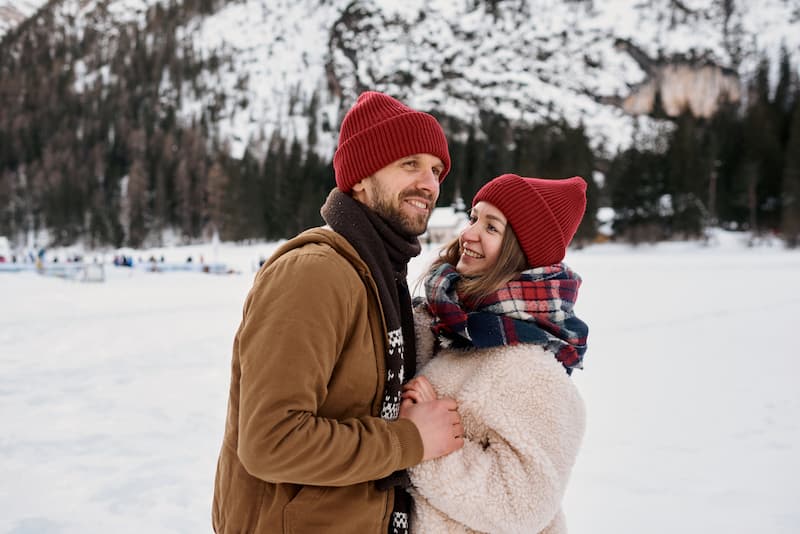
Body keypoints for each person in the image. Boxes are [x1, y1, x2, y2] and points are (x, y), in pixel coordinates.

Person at [212, 91, 465, 534]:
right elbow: (272, 442)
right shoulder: (315, 274)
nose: (429, 182)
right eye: (410, 164)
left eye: (436, 170)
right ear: (361, 178)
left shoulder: (379, 276)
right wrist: (410, 440)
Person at [404, 173, 589, 534]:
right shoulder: (453, 328)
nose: (468, 234)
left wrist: (426, 443)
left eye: (491, 227)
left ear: (520, 252)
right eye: (474, 218)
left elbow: (520, 505)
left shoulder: (531, 371)